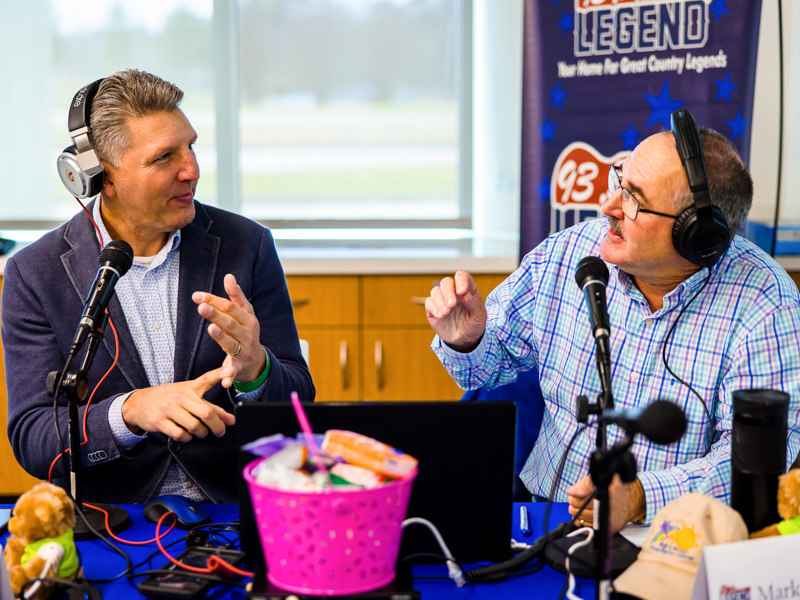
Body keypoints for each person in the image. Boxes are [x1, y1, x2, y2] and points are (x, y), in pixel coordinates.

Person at [426, 120, 800, 534]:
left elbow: (757, 463)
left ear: (696, 236)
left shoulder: (766, 304)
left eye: (633, 200)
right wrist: (468, 341)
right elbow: (488, 369)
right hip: (548, 519)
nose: (608, 205)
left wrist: (640, 496)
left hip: (678, 538)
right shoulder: (569, 253)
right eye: (620, 181)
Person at [2, 69, 314, 504]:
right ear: (100, 177)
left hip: (232, 512)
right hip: (113, 520)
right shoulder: (34, 274)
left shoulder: (248, 246)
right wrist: (130, 412)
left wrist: (256, 370)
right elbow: (34, 438)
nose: (192, 169)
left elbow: (299, 401)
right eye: (164, 157)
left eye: (190, 147)